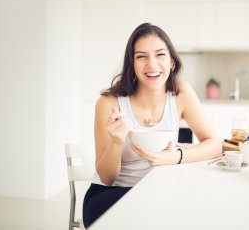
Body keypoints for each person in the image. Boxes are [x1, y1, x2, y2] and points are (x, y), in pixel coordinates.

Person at [82, 23, 221, 228]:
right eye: (141, 56)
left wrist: (176, 157)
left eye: (160, 55)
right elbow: (107, 178)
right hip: (109, 195)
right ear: (132, 64)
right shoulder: (109, 103)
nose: (152, 64)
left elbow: (215, 144)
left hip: (158, 191)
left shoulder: (180, 93)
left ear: (172, 62)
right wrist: (116, 141)